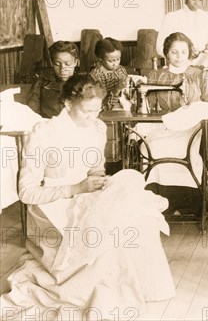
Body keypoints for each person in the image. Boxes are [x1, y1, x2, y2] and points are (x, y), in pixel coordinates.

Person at [1, 74, 175, 319]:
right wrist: (75, 189)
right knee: (107, 234)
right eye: (86, 112)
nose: (93, 118)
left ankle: (144, 287)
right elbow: (27, 192)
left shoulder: (97, 127)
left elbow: (95, 167)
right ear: (68, 104)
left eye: (97, 111)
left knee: (135, 204)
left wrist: (99, 179)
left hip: (86, 196)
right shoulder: (44, 132)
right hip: (53, 205)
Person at [142, 32, 208, 216]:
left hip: (193, 127)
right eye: (174, 52)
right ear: (166, 53)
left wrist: (194, 111)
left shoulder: (199, 74)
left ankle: (189, 204)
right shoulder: (156, 75)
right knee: (151, 146)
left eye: (183, 52)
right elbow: (148, 107)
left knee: (188, 149)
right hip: (166, 125)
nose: (178, 56)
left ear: (189, 53)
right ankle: (161, 205)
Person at [156, 0, 208, 67]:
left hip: (204, 62)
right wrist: (181, 55)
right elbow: (160, 47)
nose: (197, 3)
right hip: (179, 62)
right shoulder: (172, 17)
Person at [26, 41, 80, 118]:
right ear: (52, 63)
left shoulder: (84, 83)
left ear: (75, 62)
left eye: (67, 64)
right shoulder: (42, 80)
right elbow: (32, 111)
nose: (62, 69)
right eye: (57, 64)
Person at [90, 37, 129, 111]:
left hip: (124, 106)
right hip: (106, 110)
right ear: (100, 59)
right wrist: (117, 89)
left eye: (118, 59)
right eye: (111, 61)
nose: (116, 64)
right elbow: (101, 105)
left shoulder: (121, 69)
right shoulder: (96, 75)